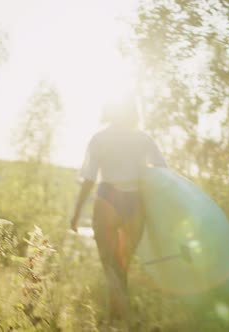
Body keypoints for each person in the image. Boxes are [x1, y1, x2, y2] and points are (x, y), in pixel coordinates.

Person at [69, 97, 166, 322]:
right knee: (122, 266)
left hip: (108, 199)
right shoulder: (143, 139)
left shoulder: (99, 139)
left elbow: (89, 179)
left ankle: (122, 319)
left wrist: (76, 213)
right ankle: (118, 320)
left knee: (111, 266)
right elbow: (162, 171)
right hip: (135, 202)